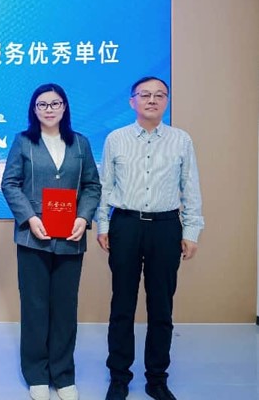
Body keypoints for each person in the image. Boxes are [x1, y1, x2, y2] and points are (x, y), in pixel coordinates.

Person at [96, 76, 204, 400]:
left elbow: (190, 187)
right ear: (132, 101)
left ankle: (157, 379)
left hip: (165, 227)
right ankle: (119, 376)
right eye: (145, 95)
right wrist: (103, 225)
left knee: (161, 307)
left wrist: (191, 231)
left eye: (159, 95)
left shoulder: (181, 140)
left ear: (166, 101)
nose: (152, 100)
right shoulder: (116, 139)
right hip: (125, 224)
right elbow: (105, 186)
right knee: (122, 304)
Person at [1, 83, 101, 400]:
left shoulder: (80, 143)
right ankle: (37, 374)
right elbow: (10, 183)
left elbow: (92, 186)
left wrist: (83, 217)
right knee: (35, 307)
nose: (49, 109)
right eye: (42, 104)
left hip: (71, 237)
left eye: (55, 103)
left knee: (65, 308)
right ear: (34, 109)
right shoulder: (23, 142)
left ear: (64, 107)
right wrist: (30, 218)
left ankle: (63, 373)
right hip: (34, 237)